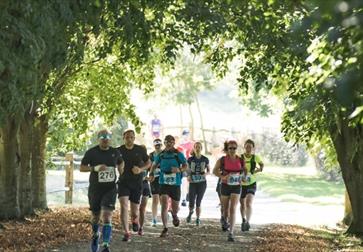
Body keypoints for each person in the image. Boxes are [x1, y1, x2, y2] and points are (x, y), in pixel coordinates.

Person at [80, 129, 123, 252]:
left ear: (110, 138)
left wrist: (121, 173)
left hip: (110, 188)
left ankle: (105, 244)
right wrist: (95, 168)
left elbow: (121, 163)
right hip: (95, 189)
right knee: (95, 216)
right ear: (98, 138)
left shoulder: (115, 152)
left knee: (107, 215)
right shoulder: (92, 152)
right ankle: (95, 234)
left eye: (108, 136)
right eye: (103, 136)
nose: (105, 138)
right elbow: (82, 168)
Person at [149, 135, 187, 237]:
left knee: (175, 207)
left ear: (174, 143)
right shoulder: (161, 155)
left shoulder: (178, 154)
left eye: (171, 142)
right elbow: (153, 165)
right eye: (166, 142)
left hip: (175, 183)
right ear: (164, 143)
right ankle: (165, 227)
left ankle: (174, 215)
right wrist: (151, 173)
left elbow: (185, 166)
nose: (168, 144)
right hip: (163, 182)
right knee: (164, 204)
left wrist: (179, 170)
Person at [117, 129, 151, 242]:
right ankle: (126, 232)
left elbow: (149, 163)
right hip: (123, 182)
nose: (129, 139)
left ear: (134, 138)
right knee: (123, 206)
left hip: (137, 183)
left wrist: (140, 169)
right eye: (127, 137)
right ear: (124, 138)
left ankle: (135, 221)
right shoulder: (119, 150)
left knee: (135, 211)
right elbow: (111, 162)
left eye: (131, 137)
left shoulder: (140, 150)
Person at [213, 140, 246, 242]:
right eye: (230, 148)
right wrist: (222, 176)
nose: (232, 150)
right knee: (225, 208)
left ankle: (231, 233)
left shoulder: (240, 160)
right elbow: (214, 171)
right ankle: (223, 218)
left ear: (236, 149)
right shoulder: (222, 160)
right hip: (225, 186)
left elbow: (245, 170)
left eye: (234, 148)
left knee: (233, 209)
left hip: (236, 186)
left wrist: (243, 177)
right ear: (227, 149)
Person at [240, 139, 264, 232]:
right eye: (247, 146)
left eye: (250, 147)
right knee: (242, 204)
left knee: (248, 203)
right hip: (242, 183)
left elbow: (262, 166)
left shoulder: (256, 157)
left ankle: (248, 222)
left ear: (253, 148)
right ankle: (243, 220)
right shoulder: (240, 157)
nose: (248, 148)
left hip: (252, 183)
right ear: (244, 147)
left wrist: (256, 170)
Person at [186, 142, 210, 226]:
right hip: (193, 182)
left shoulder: (205, 159)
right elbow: (187, 170)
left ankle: (198, 218)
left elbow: (209, 171)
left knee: (198, 202)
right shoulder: (190, 159)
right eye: (196, 147)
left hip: (202, 183)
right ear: (194, 148)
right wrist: (188, 176)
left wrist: (205, 174)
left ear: (201, 148)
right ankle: (190, 212)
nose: (198, 148)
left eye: (199, 147)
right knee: (191, 201)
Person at [149, 138, 163, 226]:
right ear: (154, 146)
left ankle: (164, 216)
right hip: (154, 178)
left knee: (162, 199)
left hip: (163, 178)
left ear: (161, 145)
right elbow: (149, 166)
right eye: (156, 145)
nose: (157, 147)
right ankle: (154, 219)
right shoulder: (151, 155)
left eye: (159, 145)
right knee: (155, 199)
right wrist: (149, 175)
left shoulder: (164, 154)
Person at [138, 144, 152, 236]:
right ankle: (136, 223)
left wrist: (148, 178)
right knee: (135, 209)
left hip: (145, 186)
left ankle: (140, 228)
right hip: (135, 186)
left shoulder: (148, 162)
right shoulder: (134, 161)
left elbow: (152, 175)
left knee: (142, 208)